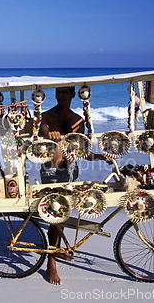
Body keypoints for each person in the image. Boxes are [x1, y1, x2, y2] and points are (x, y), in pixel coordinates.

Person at [39, 86, 110, 285]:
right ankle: (50, 262)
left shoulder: (78, 120)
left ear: (72, 94)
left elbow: (83, 152)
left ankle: (57, 249)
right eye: (58, 92)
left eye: (65, 92)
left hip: (71, 172)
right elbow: (40, 143)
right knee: (55, 215)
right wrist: (49, 136)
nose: (61, 95)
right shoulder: (46, 116)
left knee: (64, 213)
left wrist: (100, 157)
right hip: (51, 172)